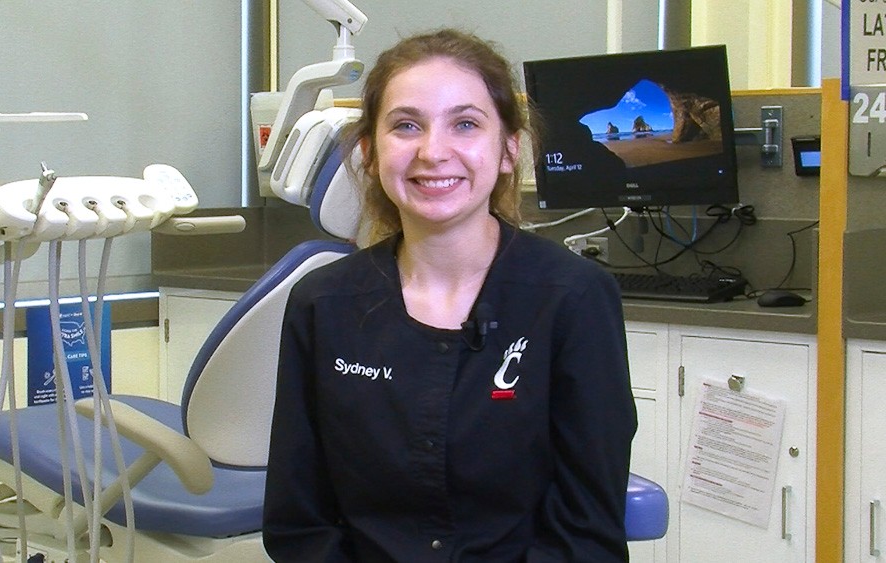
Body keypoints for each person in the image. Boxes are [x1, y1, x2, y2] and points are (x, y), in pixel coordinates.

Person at [263, 28, 636, 562]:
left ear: (508, 149)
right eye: (406, 125)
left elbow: (586, 533)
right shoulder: (323, 304)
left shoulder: (572, 299)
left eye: (464, 124)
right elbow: (298, 523)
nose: (433, 152)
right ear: (370, 152)